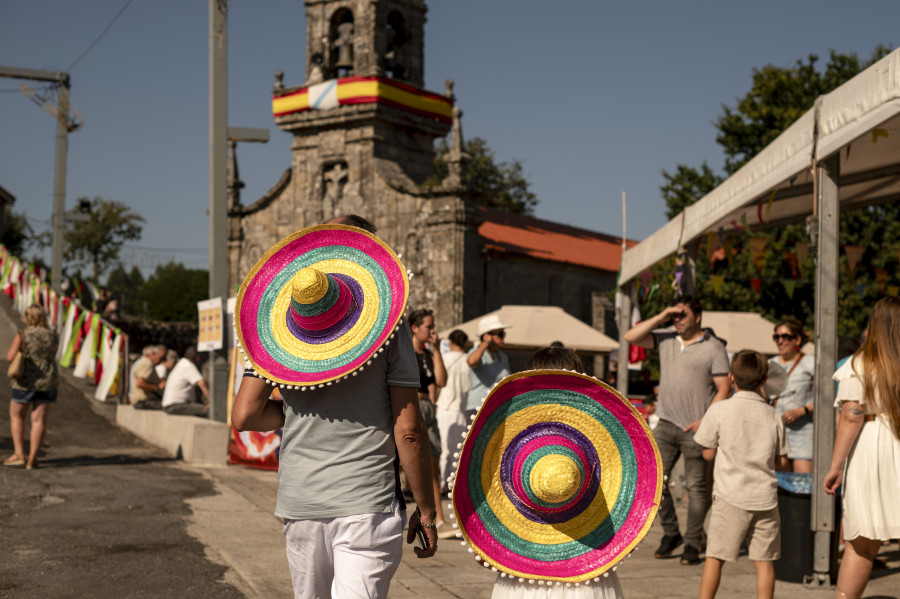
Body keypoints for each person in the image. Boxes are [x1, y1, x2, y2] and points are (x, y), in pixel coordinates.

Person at [232, 217, 437, 599]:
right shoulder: (391, 328)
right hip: (366, 500)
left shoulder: (275, 334)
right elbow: (408, 430)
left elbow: (244, 415)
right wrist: (426, 510)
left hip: (301, 501)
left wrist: (295, 415)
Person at [455, 346, 661, 599]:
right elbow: (625, 544)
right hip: (589, 584)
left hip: (521, 585)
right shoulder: (603, 461)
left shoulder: (503, 452)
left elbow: (482, 555)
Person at [624, 294, 730, 565]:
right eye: (675, 315)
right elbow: (630, 337)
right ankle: (672, 533)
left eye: (682, 314)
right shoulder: (666, 338)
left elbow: (723, 388)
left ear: (698, 316)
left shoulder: (714, 347)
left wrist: (706, 421)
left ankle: (693, 543)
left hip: (696, 427)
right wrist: (662, 316)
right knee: (653, 482)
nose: (678, 319)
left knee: (695, 488)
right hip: (666, 423)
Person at [695, 350, 789, 599]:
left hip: (730, 497)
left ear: (731, 377)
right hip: (765, 498)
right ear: (764, 379)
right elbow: (782, 460)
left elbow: (707, 453)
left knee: (715, 558)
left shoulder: (719, 411)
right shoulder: (773, 415)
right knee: (764, 562)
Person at [825, 296, 900, 599]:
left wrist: (835, 466)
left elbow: (851, 417)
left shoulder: (860, 363)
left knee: (862, 542)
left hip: (873, 446)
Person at [408, 308, 450, 536]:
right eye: (429, 327)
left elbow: (441, 380)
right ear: (415, 328)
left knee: (433, 466)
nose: (433, 331)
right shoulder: (405, 353)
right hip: (411, 406)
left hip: (427, 408)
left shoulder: (427, 354)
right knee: (406, 464)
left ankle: (438, 518)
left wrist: (436, 351)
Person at [4, 305, 60, 470]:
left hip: (25, 382)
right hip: (48, 381)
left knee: (17, 416)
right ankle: (32, 458)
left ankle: (19, 454)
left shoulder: (23, 334)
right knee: (39, 420)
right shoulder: (53, 336)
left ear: (28, 318)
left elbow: (10, 357)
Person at [768, 318, 814, 473]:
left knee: (803, 485)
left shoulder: (810, 363)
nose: (780, 341)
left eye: (785, 337)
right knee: (779, 486)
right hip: (778, 433)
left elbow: (826, 397)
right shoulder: (770, 364)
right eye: (777, 337)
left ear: (797, 339)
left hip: (804, 433)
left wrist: (802, 410)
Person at [435, 329, 470, 491]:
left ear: (451, 342)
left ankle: (442, 482)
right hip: (461, 409)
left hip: (444, 407)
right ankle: (454, 483)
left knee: (443, 449)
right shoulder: (468, 361)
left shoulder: (445, 358)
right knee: (459, 450)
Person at [465, 314, 512, 417]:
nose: (503, 337)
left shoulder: (502, 356)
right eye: (500, 334)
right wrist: (485, 343)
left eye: (503, 333)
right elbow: (471, 362)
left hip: (497, 408)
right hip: (478, 407)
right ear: (487, 336)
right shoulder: (476, 352)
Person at [161, 347, 209, 417]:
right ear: (198, 358)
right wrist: (212, 403)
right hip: (176, 405)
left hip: (170, 405)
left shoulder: (181, 364)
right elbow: (202, 384)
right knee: (210, 411)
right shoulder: (188, 366)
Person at [130, 344, 166, 409]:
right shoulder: (147, 363)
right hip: (142, 401)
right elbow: (140, 383)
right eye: (160, 357)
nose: (161, 361)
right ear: (153, 354)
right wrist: (156, 388)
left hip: (139, 401)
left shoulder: (141, 361)